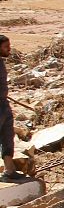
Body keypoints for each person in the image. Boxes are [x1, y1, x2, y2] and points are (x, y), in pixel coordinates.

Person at [0, 35, 27, 181]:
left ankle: (9, 171)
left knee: (7, 137)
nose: (9, 49)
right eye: (5, 47)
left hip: (3, 105)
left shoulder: (1, 62)